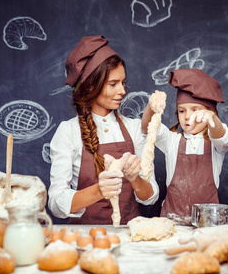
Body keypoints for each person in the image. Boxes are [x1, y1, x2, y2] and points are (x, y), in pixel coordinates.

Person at [48, 35, 159, 224]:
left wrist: (135, 179)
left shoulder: (134, 128)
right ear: (92, 86)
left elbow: (151, 197)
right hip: (85, 237)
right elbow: (56, 204)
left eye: (123, 83)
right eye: (113, 84)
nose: (123, 91)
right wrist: (99, 190)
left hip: (129, 235)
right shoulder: (68, 132)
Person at [141, 68, 228, 225]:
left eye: (195, 110)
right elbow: (147, 127)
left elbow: (221, 136)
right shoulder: (172, 141)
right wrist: (151, 106)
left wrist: (213, 119)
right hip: (172, 222)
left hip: (208, 224)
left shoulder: (216, 145)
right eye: (182, 111)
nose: (188, 116)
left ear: (211, 112)